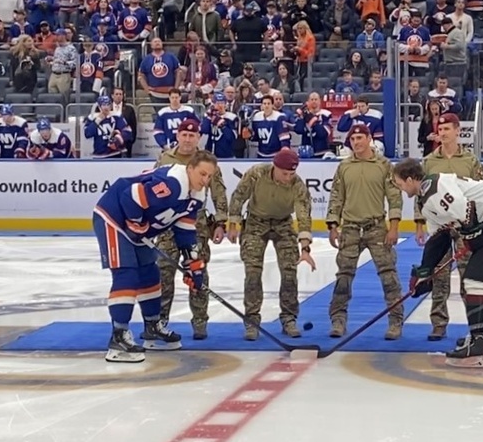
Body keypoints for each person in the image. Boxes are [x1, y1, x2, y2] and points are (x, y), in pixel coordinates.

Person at [392, 157, 483, 367]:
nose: (400, 189)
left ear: (409, 180)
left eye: (400, 184)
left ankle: (477, 346)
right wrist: (425, 271)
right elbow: (439, 238)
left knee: (474, 281)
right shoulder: (426, 200)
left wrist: (472, 236)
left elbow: (466, 209)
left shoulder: (435, 188)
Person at [92, 150, 219, 363]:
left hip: (139, 228)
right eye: (202, 174)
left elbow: (185, 231)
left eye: (210, 176)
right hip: (113, 218)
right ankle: (119, 336)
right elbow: (130, 196)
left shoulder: (196, 194)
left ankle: (152, 327)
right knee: (127, 274)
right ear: (190, 169)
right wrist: (135, 223)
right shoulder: (174, 184)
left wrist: (193, 264)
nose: (205, 180)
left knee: (150, 273)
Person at [413, 112, 483, 341]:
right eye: (440, 129)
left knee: (470, 279)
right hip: (439, 228)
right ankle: (438, 324)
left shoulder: (471, 161)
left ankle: (476, 326)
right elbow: (420, 195)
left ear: (457, 130)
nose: (443, 134)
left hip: (465, 227)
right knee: (439, 277)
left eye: (447, 129)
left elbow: (481, 192)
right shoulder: (428, 162)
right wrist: (419, 224)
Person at [227, 149, 316, 340]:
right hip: (255, 222)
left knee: (289, 270)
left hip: (283, 223)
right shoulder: (257, 173)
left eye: (291, 174)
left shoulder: (297, 185)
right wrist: (233, 223)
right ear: (274, 167)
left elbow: (303, 217)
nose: (288, 178)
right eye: (285, 173)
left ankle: (289, 318)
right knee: (252, 271)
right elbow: (238, 196)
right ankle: (252, 321)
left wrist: (305, 248)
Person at [326, 123, 404, 340]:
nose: (356, 142)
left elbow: (394, 196)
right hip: (350, 228)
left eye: (360, 138)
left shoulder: (384, 165)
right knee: (343, 277)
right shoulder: (344, 167)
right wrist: (333, 225)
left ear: (369, 138)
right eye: (352, 139)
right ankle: (338, 320)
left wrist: (394, 226)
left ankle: (395, 321)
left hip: (376, 227)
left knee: (389, 277)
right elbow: (336, 196)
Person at [154, 119, 229, 340]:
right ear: (177, 135)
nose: (187, 140)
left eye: (192, 135)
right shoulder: (165, 158)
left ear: (198, 137)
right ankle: (160, 321)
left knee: (197, 272)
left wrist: (221, 222)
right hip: (168, 225)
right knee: (163, 273)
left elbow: (219, 192)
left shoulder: (207, 161)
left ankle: (199, 321)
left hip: (197, 226)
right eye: (184, 135)